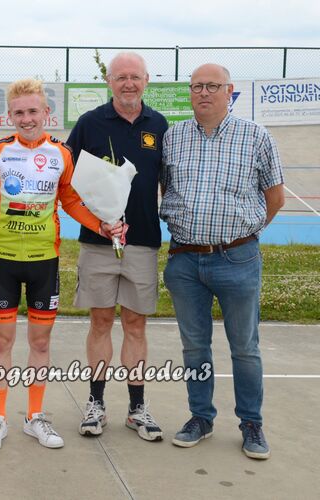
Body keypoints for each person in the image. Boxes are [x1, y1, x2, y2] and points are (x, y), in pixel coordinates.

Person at [0, 78, 123, 453]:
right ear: (9, 116)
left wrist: (101, 226)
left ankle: (34, 416)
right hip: (4, 261)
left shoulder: (61, 153)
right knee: (1, 342)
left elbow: (71, 200)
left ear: (46, 113)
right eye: (19, 113)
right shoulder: (0, 151)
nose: (26, 119)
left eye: (32, 111)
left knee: (40, 343)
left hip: (45, 262)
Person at [161, 63, 284, 460]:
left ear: (229, 91)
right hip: (185, 260)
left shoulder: (256, 136)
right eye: (197, 86)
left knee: (244, 347)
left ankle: (251, 423)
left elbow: (275, 197)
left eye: (212, 86)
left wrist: (244, 235)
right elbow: (166, 189)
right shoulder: (173, 137)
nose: (203, 92)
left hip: (238, 258)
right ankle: (201, 417)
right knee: (194, 346)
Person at [66, 52, 168, 441]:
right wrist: (99, 221)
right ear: (109, 81)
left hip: (142, 243)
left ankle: (137, 408)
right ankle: (96, 404)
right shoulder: (90, 123)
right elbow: (70, 181)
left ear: (146, 80)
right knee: (101, 321)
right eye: (121, 77)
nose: (128, 83)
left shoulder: (159, 125)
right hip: (98, 243)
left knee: (136, 324)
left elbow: (166, 182)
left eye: (135, 77)